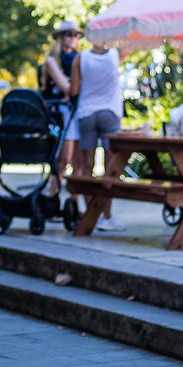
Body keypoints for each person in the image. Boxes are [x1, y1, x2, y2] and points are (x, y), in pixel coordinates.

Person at [64, 33, 126, 231]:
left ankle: (91, 213)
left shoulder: (80, 57)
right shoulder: (117, 54)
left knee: (87, 166)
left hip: (86, 113)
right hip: (110, 112)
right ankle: (106, 215)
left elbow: (73, 91)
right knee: (110, 168)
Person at [41, 21, 80, 101]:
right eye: (69, 34)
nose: (73, 38)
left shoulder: (80, 58)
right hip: (57, 104)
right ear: (61, 37)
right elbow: (68, 89)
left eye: (76, 35)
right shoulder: (51, 61)